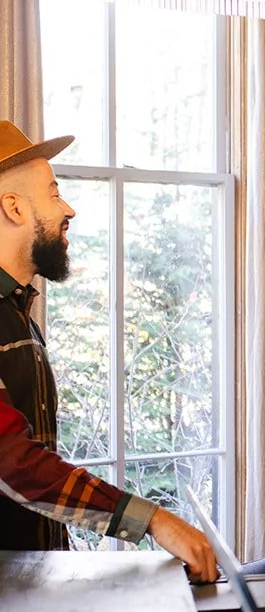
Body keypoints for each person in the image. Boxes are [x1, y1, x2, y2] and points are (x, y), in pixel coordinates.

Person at [0, 120, 217, 580]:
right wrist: (152, 520)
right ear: (13, 207)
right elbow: (14, 464)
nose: (69, 209)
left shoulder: (20, 316)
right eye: (54, 193)